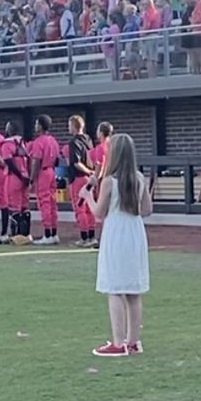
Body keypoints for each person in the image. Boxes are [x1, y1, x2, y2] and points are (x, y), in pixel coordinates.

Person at [80, 133, 152, 357]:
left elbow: (99, 213)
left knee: (115, 287)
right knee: (133, 289)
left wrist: (87, 196)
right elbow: (147, 210)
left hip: (116, 232)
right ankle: (133, 341)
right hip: (135, 231)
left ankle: (118, 342)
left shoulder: (110, 181)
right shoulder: (139, 178)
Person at [29, 113, 61, 244]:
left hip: (43, 172)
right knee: (53, 203)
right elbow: (58, 159)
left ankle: (47, 234)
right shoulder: (53, 140)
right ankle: (53, 233)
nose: (35, 126)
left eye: (37, 123)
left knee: (44, 203)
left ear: (41, 126)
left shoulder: (39, 142)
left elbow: (36, 161)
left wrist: (32, 179)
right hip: (52, 171)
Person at [66, 114, 96, 246]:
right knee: (90, 207)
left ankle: (84, 237)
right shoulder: (89, 140)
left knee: (80, 208)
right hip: (90, 178)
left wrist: (87, 170)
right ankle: (91, 235)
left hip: (79, 178)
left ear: (73, 126)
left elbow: (76, 162)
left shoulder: (73, 143)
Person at [1, 121, 31, 242]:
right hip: (25, 177)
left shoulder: (7, 144)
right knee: (25, 206)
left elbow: (9, 161)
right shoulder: (23, 143)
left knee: (14, 207)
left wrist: (19, 175)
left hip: (14, 178)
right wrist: (27, 176)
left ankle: (16, 235)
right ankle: (26, 234)